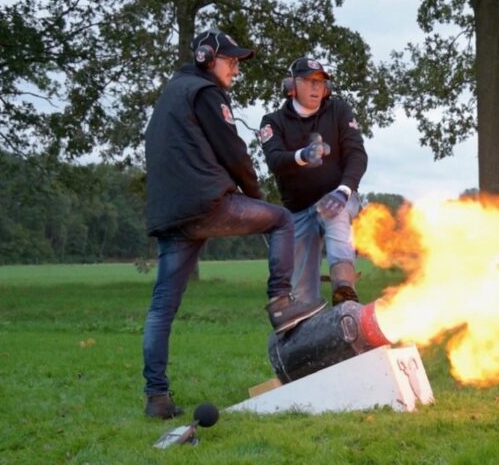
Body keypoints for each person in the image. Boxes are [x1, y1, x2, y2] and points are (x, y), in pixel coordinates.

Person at [141, 31, 326, 420]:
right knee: (279, 219)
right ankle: (281, 303)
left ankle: (156, 397)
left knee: (162, 308)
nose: (236, 68)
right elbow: (234, 151)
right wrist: (255, 196)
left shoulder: (173, 93)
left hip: (172, 214)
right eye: (231, 61)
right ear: (208, 57)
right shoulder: (206, 93)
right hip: (205, 203)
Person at [259, 57, 367, 308]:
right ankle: (308, 326)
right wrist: (302, 156)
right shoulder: (273, 121)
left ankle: (344, 290)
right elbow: (275, 160)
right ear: (291, 85)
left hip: (338, 195)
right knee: (301, 294)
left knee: (335, 213)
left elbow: (357, 154)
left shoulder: (339, 111)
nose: (316, 87)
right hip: (297, 210)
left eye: (320, 82)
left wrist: (343, 191)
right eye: (309, 81)